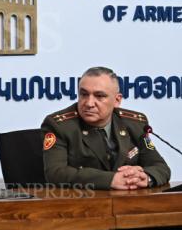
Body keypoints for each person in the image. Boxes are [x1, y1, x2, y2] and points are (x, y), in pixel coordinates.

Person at [41, 67, 171, 190]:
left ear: (117, 100)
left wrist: (145, 177)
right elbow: (56, 173)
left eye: (99, 96)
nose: (89, 103)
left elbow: (160, 167)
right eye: (84, 94)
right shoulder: (59, 125)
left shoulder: (135, 123)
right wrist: (110, 179)